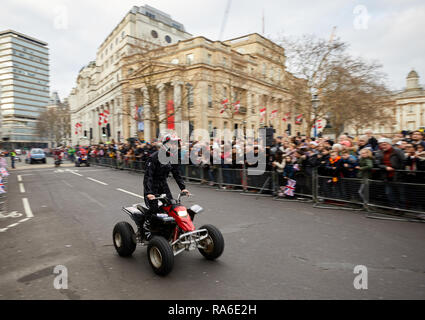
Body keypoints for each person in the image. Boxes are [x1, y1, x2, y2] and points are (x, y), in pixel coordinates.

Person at [143, 134, 190, 239]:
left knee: (172, 206)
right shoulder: (154, 157)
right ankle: (147, 227)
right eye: (173, 144)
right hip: (152, 185)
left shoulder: (172, 158)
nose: (175, 146)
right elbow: (148, 176)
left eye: (176, 144)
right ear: (165, 144)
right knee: (154, 208)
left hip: (163, 184)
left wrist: (183, 188)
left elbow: (176, 174)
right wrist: (149, 192)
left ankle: (170, 230)